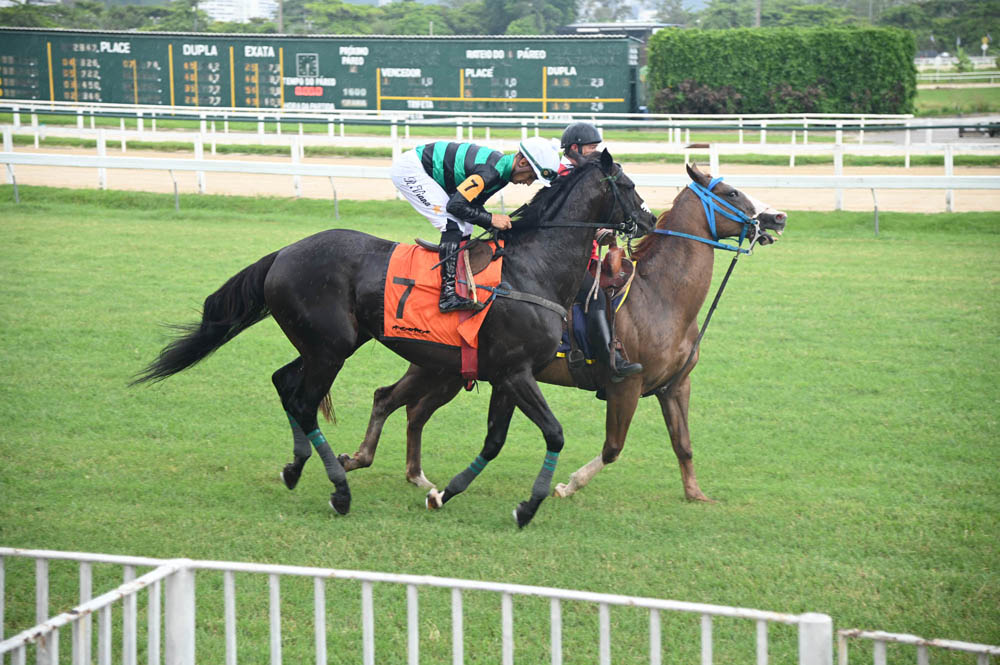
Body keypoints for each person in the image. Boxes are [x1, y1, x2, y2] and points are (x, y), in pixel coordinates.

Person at [392, 137, 560, 312]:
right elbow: (455, 206)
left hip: (427, 170)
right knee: (452, 224)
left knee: (466, 227)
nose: (529, 182)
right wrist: (491, 219)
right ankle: (447, 296)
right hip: (412, 170)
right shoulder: (491, 172)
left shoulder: (501, 175)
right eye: (531, 176)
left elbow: (472, 206)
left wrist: (497, 227)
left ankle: (457, 282)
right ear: (523, 162)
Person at [559, 122, 643, 382]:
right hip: (564, 259)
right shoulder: (563, 176)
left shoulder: (586, 174)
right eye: (591, 148)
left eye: (597, 147)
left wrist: (605, 229)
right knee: (594, 296)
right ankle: (609, 360)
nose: (595, 152)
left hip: (586, 257)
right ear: (574, 149)